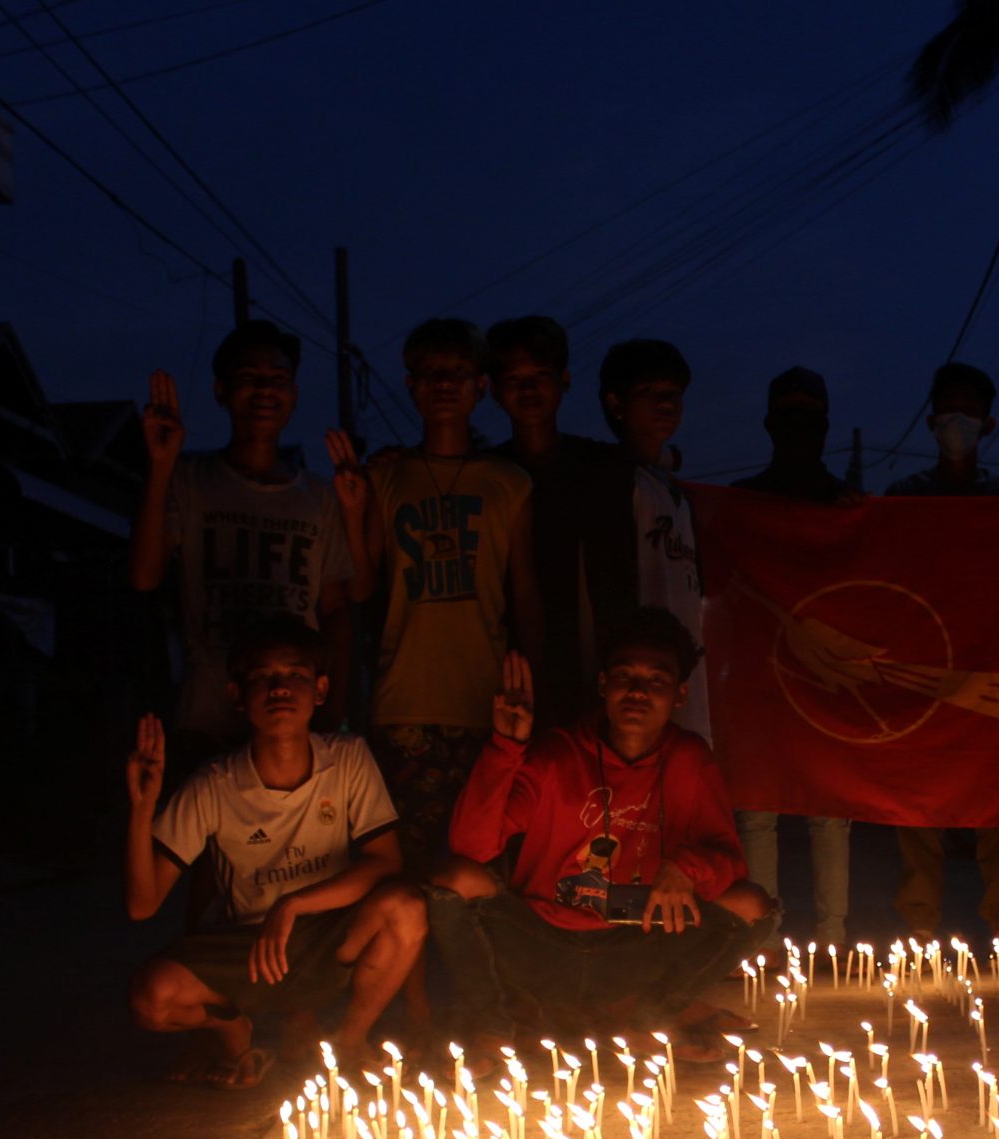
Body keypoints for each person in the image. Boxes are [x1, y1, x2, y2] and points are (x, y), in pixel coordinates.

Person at [426, 608, 770, 1059]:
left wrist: (685, 869)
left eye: (656, 681)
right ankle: (494, 1025)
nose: (638, 693)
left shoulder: (690, 760)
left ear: (680, 694)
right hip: (543, 941)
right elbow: (471, 848)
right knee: (454, 882)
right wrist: (505, 748)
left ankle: (650, 1019)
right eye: (625, 676)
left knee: (753, 906)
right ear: (604, 684)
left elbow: (731, 863)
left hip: (634, 945)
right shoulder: (556, 755)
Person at [122, 616, 426, 1088]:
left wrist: (294, 904)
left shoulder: (346, 760)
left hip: (330, 937)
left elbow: (386, 862)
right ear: (237, 696)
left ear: (320, 690)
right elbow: (142, 904)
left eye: (295, 675)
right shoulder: (213, 785)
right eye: (262, 677)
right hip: (249, 949)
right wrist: (142, 809)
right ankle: (231, 1028)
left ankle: (349, 1040)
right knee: (151, 998)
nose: (280, 688)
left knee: (406, 908)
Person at [327, 318, 543, 871]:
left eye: (457, 373)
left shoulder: (508, 481)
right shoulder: (389, 476)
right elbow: (362, 583)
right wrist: (354, 512)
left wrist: (537, 691)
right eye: (430, 373)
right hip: (404, 703)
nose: (443, 384)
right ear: (411, 385)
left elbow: (524, 597)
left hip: (485, 703)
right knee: (411, 868)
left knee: (479, 860)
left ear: (479, 387)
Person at [127, 321, 353, 764]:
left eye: (278, 380)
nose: (265, 390)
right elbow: (143, 575)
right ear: (221, 391)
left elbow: (337, 610)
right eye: (249, 378)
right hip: (207, 718)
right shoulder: (190, 481)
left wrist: (336, 708)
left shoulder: (318, 496)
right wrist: (159, 465)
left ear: (294, 395)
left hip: (292, 728)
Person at [883, 360, 999, 941]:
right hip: (923, 672)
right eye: (949, 413)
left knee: (998, 810)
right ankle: (920, 930)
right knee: (919, 808)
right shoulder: (903, 499)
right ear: (931, 421)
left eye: (969, 412)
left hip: (989, 668)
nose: (958, 422)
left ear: (988, 423)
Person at [730, 365, 858, 947]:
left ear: (826, 425)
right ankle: (763, 942)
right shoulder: (743, 504)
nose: (799, 429)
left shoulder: (845, 506)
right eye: (790, 417)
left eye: (809, 417)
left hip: (824, 676)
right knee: (761, 808)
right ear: (768, 424)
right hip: (760, 675)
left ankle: (830, 939)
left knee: (827, 809)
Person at [484, 316, 639, 727]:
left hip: (592, 659)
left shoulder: (602, 467)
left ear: (564, 380)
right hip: (505, 662)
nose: (529, 388)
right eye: (514, 379)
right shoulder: (485, 476)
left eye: (540, 375)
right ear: (495, 391)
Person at [602, 339, 709, 736]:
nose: (665, 404)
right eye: (650, 393)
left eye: (674, 395)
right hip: (639, 686)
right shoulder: (615, 484)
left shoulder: (674, 493)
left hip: (682, 679)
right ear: (617, 404)